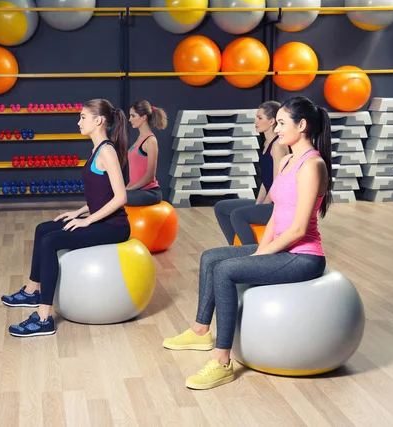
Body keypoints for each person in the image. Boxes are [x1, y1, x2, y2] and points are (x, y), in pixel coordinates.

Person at [162, 96, 333, 390]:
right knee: (211, 257)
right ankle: (201, 331)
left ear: (302, 125)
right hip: (281, 247)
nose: (276, 130)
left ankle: (221, 362)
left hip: (304, 256)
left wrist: (262, 254)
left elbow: (299, 229)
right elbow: (276, 215)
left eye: (281, 123)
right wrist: (259, 248)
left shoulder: (312, 165)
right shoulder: (288, 160)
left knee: (225, 271)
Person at [1, 99, 131, 337]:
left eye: (83, 117)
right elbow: (102, 193)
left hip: (115, 226)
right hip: (100, 219)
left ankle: (43, 318)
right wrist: (79, 212)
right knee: (43, 229)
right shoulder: (96, 149)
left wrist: (88, 220)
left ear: (98, 120)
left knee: (51, 241)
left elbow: (121, 197)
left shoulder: (107, 151)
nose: (78, 121)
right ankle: (32, 291)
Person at [214, 101, 290, 245]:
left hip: (278, 205)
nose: (255, 121)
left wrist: (263, 205)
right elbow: (265, 181)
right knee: (221, 208)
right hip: (268, 200)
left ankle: (251, 254)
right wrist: (257, 203)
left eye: (260, 118)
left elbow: (277, 184)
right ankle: (235, 248)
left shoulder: (278, 145)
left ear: (272, 121)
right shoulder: (266, 144)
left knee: (237, 215)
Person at [125, 100, 168, 206]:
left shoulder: (151, 140)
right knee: (112, 196)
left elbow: (150, 176)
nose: (130, 119)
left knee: (115, 199)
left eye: (133, 116)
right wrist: (127, 188)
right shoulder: (139, 138)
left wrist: (129, 189)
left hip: (150, 192)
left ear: (143, 117)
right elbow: (136, 174)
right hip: (137, 190)